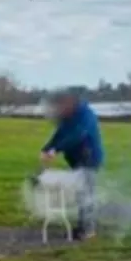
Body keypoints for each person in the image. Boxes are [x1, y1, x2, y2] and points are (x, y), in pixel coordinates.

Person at [39, 89, 104, 239]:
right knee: (80, 193)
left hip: (89, 159)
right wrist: (47, 148)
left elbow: (77, 135)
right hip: (76, 159)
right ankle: (83, 226)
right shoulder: (69, 116)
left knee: (86, 194)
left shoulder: (85, 114)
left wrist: (56, 149)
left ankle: (88, 229)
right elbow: (61, 133)